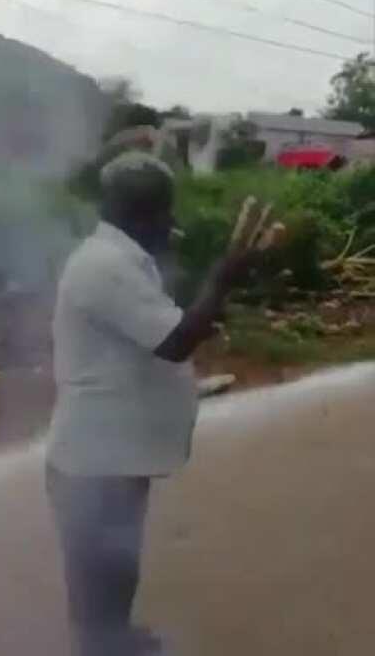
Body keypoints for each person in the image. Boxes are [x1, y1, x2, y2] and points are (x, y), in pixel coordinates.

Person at [45, 151, 278, 655]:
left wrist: (216, 280)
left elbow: (161, 319)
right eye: (163, 210)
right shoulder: (105, 266)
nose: (171, 221)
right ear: (141, 214)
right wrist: (223, 277)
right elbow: (175, 340)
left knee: (118, 564)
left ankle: (118, 640)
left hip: (114, 456)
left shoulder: (125, 259)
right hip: (95, 461)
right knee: (99, 582)